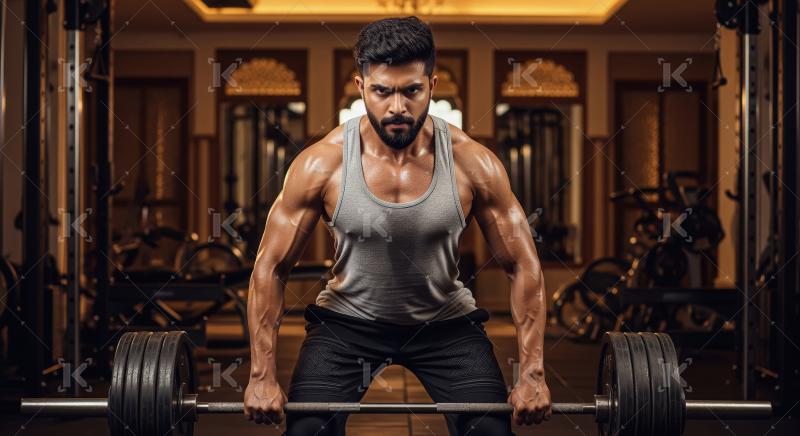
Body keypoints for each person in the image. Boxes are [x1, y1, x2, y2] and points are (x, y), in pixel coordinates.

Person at [244, 16, 552, 436]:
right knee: (308, 428)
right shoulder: (322, 163)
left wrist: (532, 372)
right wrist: (261, 374)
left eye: (411, 91)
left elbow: (522, 264)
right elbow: (270, 267)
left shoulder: (472, 162)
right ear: (360, 86)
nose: (397, 108)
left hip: (445, 325)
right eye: (382, 91)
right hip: (348, 323)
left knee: (490, 430)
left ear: (432, 84)